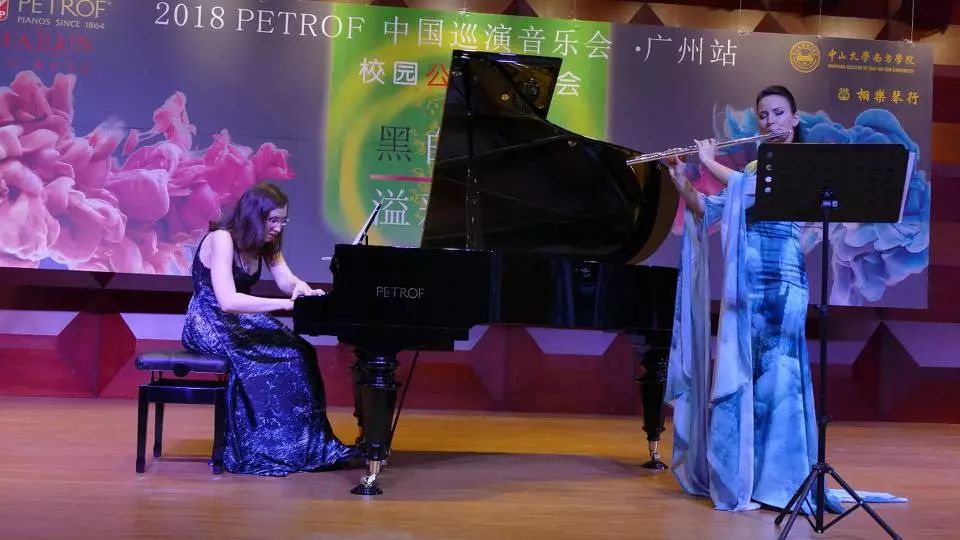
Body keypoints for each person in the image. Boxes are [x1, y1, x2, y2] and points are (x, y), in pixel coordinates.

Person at [663, 85, 838, 512]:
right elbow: (709, 210)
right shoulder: (756, 166)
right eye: (763, 115)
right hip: (746, 285)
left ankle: (781, 480)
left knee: (777, 380)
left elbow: (754, 190)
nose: (770, 121)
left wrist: (708, 161)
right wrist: (683, 181)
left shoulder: (801, 163)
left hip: (784, 284)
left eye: (778, 113)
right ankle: (748, 477)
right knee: (746, 377)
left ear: (795, 119)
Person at [181, 182, 359, 476]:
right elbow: (227, 301)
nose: (278, 227)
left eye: (282, 221)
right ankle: (268, 447)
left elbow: (285, 280)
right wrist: (286, 305)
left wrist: (301, 289)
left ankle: (305, 446)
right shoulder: (222, 239)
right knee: (280, 358)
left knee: (301, 351)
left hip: (239, 320)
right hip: (208, 321)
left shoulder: (266, 242)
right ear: (254, 216)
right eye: (273, 220)